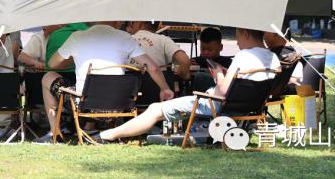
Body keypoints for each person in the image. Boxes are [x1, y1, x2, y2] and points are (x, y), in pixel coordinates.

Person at [98, 27, 280, 142]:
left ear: (245, 33)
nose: (238, 42)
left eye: (238, 37)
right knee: (161, 110)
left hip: (212, 102)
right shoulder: (272, 57)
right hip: (246, 107)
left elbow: (223, 91)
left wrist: (218, 74)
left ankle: (109, 135)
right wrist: (225, 75)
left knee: (155, 109)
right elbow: (249, 84)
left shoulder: (244, 55)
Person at [36, 21, 174, 143]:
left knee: (48, 76)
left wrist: (73, 57)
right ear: (116, 20)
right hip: (119, 105)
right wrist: (165, 89)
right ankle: (90, 129)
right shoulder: (125, 37)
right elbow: (153, 67)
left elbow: (53, 64)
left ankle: (55, 132)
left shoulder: (77, 37)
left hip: (85, 105)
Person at [127, 21, 191, 81]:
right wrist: (183, 74)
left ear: (139, 24)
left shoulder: (126, 40)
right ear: (157, 26)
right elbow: (184, 61)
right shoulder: (163, 40)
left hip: (128, 86)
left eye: (133, 23)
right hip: (156, 86)